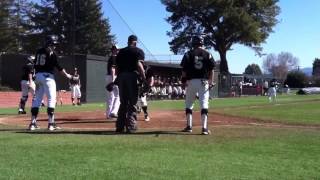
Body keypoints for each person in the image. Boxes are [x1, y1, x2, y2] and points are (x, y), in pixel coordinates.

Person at [28, 35, 72, 131]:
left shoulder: (38, 51)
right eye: (53, 44)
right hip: (48, 77)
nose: (54, 46)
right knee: (51, 99)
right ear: (49, 43)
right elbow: (59, 68)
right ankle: (51, 124)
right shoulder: (51, 53)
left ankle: (32, 123)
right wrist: (68, 75)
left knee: (37, 100)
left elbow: (35, 63)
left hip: (38, 77)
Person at [180, 36, 215, 135]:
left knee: (189, 104)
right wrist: (211, 81)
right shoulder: (208, 54)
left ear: (193, 43)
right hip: (203, 82)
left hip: (191, 81)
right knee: (204, 104)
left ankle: (189, 126)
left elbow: (184, 70)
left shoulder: (188, 54)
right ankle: (204, 128)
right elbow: (212, 69)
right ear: (202, 43)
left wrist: (183, 82)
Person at [115, 35, 146, 133]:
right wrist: (144, 78)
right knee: (132, 102)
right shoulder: (138, 51)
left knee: (123, 102)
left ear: (128, 41)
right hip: (132, 76)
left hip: (121, 77)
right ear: (135, 42)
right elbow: (139, 65)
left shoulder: (121, 52)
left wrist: (118, 79)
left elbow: (117, 68)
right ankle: (131, 126)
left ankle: (119, 126)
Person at [105, 45, 120, 119]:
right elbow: (113, 69)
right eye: (117, 49)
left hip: (110, 77)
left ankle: (110, 113)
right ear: (113, 50)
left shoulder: (112, 57)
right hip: (112, 77)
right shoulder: (114, 57)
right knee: (115, 96)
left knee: (112, 96)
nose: (118, 51)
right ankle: (112, 112)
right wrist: (113, 81)